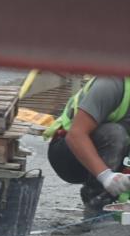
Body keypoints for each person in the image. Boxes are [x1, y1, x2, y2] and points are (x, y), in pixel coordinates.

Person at [45, 76, 130, 220]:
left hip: (112, 154)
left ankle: (118, 208)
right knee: (114, 134)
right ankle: (98, 207)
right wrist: (107, 177)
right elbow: (76, 135)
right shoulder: (112, 83)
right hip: (69, 153)